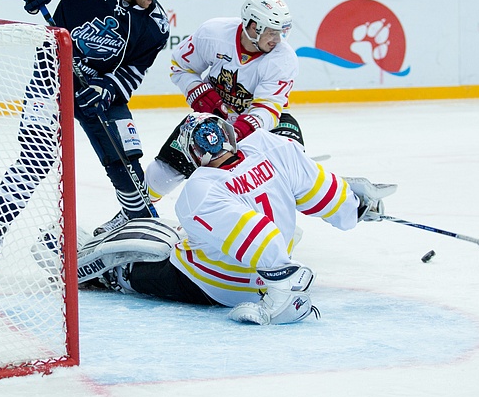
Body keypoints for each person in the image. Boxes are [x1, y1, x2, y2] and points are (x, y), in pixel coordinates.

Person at [72, 113, 395, 325]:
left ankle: (107, 276)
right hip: (272, 270)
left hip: (221, 285)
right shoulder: (271, 145)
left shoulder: (199, 189)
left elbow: (259, 237)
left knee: (141, 255)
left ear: (192, 153)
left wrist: (282, 283)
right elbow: (324, 195)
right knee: (173, 234)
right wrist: (354, 205)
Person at [0, 0, 172, 259]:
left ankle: (138, 223)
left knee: (126, 160)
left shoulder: (155, 24)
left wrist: (109, 88)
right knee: (36, 158)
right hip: (50, 75)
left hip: (100, 88)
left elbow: (134, 71)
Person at [144, 0, 305, 205]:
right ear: (253, 25)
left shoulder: (283, 59)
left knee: (293, 161)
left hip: (259, 125)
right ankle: (136, 210)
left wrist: (236, 132)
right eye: (272, 32)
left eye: (282, 32)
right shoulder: (213, 34)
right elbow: (181, 67)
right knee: (162, 172)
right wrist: (202, 95)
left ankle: (273, 218)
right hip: (212, 119)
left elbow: (267, 109)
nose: (278, 39)